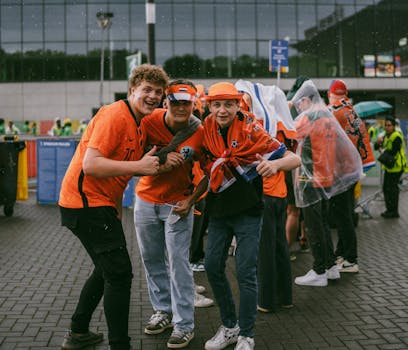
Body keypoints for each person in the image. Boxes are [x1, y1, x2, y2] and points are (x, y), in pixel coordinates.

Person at [58, 64, 170, 350]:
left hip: (98, 206)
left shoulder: (138, 122)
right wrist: (141, 166)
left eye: (158, 92)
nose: (153, 96)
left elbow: (116, 171)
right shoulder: (114, 115)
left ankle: (78, 332)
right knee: (120, 275)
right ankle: (120, 345)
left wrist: (116, 208)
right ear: (132, 90)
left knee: (105, 269)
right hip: (84, 205)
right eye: (147, 90)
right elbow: (92, 165)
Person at [201, 82, 300, 350]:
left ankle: (246, 334)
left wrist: (275, 163)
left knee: (246, 272)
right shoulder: (204, 127)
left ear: (238, 105)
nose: (223, 110)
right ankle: (230, 326)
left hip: (248, 211)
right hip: (219, 211)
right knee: (211, 266)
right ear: (209, 106)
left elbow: (294, 159)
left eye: (229, 104)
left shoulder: (251, 128)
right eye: (217, 104)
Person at [134, 80, 208, 349]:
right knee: (151, 259)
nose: (179, 108)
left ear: (193, 104)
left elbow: (211, 172)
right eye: (174, 102)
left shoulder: (200, 131)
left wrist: (191, 200)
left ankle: (184, 324)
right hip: (145, 200)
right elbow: (134, 152)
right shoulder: (149, 121)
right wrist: (160, 161)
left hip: (178, 204)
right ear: (165, 102)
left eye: (185, 103)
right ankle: (163, 311)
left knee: (178, 264)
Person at [290, 80, 363, 287]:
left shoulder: (307, 118)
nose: (298, 107)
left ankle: (319, 270)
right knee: (322, 223)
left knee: (314, 226)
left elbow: (289, 135)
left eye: (299, 103)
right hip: (326, 178)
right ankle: (330, 267)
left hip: (310, 179)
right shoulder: (327, 117)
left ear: (305, 100)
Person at [234, 79, 298, 312]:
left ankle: (267, 300)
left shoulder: (256, 125)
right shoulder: (281, 125)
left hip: (264, 193)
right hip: (279, 192)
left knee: (264, 250)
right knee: (280, 246)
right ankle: (285, 297)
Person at [327, 79, 375, 273]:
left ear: (331, 94)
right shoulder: (352, 111)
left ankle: (351, 259)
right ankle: (342, 253)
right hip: (352, 170)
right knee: (345, 213)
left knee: (343, 216)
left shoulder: (335, 112)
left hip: (341, 172)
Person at [374, 116, 408, 218]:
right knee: (386, 188)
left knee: (392, 189)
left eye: (389, 125)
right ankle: (390, 210)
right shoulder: (385, 136)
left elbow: (393, 151)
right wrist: (378, 142)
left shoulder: (396, 136)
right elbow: (376, 147)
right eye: (386, 125)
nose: (387, 127)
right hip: (390, 167)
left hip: (397, 167)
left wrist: (382, 150)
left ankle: (393, 211)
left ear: (393, 127)